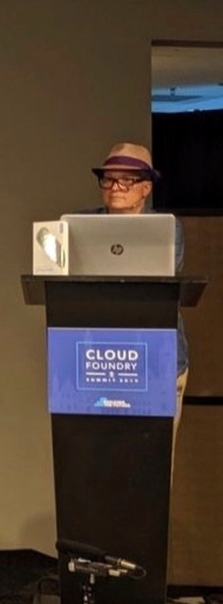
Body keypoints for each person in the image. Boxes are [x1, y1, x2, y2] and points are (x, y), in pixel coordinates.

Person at [86, 142, 189, 436]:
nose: (115, 187)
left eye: (126, 180)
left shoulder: (166, 228)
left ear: (146, 188)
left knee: (154, 456)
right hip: (98, 363)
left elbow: (158, 287)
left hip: (157, 361)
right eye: (108, 179)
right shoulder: (80, 226)